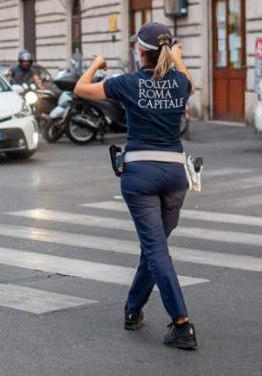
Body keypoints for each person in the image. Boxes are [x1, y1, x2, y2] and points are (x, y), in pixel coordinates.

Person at [74, 22, 197, 350]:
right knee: (154, 248)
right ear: (167, 51)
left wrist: (96, 66)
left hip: (140, 174)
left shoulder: (128, 83)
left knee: (155, 248)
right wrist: (178, 58)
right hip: (174, 175)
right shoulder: (180, 81)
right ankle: (132, 309)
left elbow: (81, 89)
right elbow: (189, 83)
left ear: (140, 52)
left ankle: (182, 324)